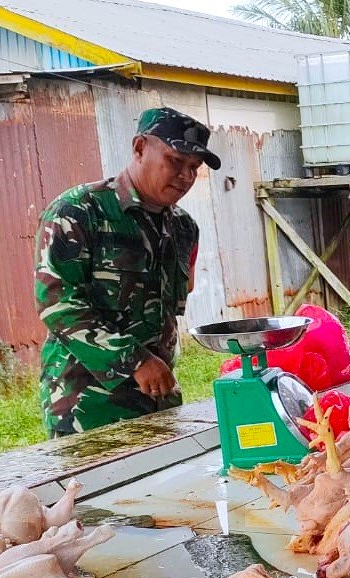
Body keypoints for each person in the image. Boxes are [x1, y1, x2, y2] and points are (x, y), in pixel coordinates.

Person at [34, 107, 220, 437]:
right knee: (92, 488)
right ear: (138, 148)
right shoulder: (79, 211)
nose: (186, 176)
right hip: (87, 403)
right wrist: (135, 361)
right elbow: (57, 304)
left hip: (158, 397)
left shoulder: (183, 227)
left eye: (194, 168)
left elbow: (175, 297)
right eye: (175, 161)